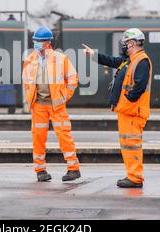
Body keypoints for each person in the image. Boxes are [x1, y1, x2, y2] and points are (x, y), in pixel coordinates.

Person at [83, 28, 152, 188]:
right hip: (126, 111)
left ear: (133, 43)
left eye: (126, 43)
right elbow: (112, 61)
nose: (124, 46)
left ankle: (135, 178)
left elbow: (140, 85)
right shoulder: (130, 60)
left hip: (133, 112)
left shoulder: (141, 61)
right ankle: (132, 175)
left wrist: (129, 99)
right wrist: (94, 54)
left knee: (132, 145)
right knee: (127, 145)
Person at [22, 26, 81, 182]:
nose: (36, 44)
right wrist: (30, 98)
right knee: (38, 137)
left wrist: (64, 97)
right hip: (38, 105)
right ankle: (40, 170)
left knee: (64, 135)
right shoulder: (30, 59)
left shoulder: (61, 59)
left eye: (39, 41)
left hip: (57, 104)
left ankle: (73, 169)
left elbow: (73, 79)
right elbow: (26, 82)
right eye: (35, 41)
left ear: (48, 43)